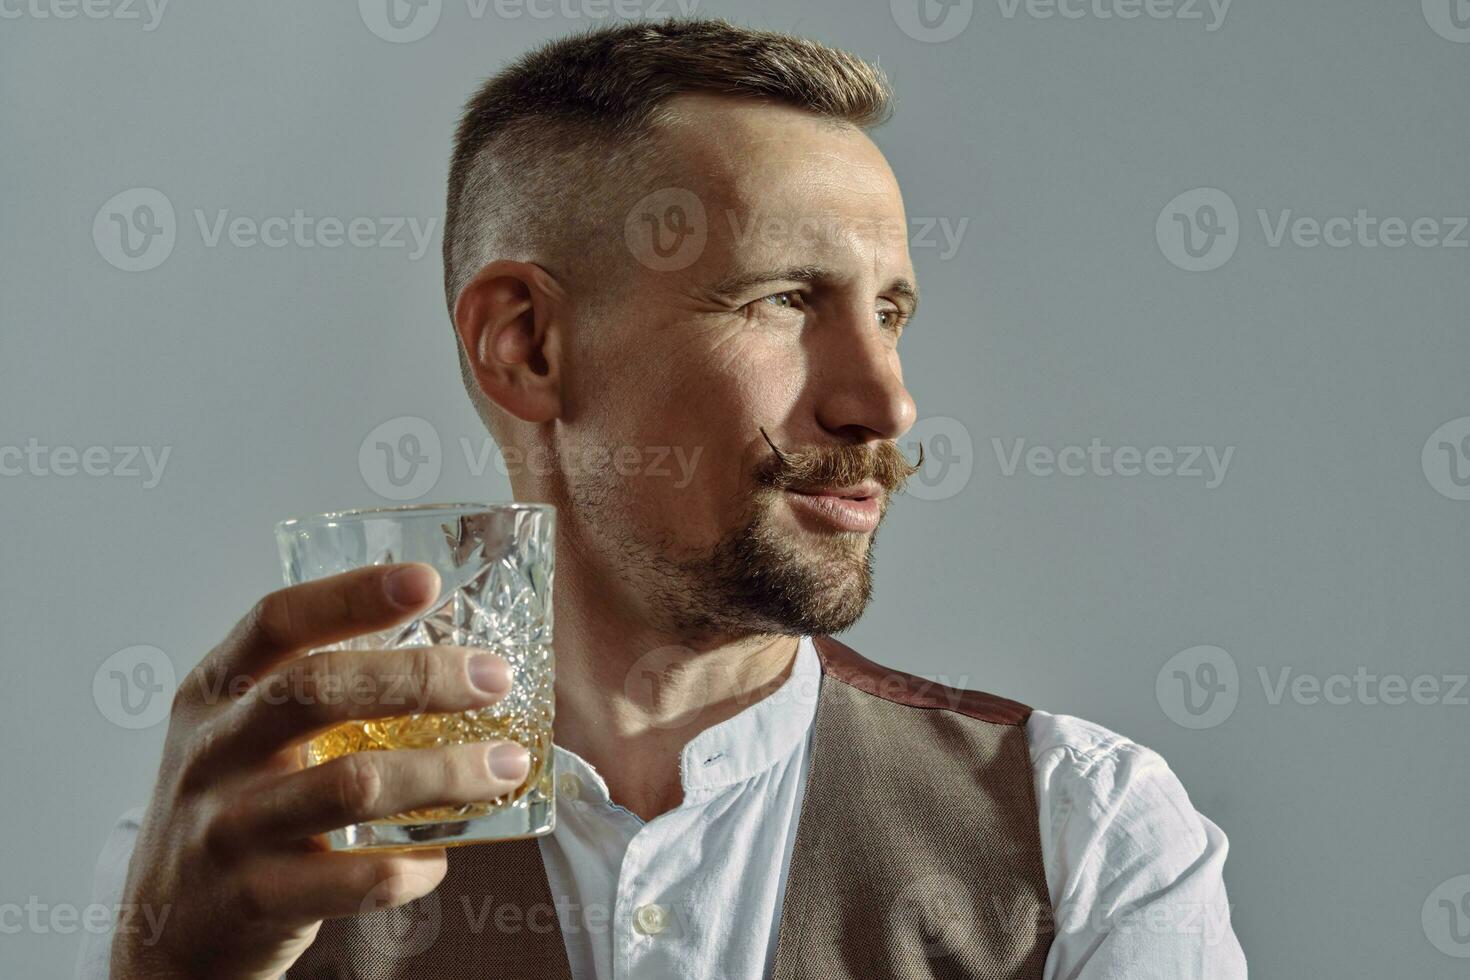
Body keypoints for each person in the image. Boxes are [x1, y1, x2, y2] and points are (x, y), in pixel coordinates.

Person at [81, 17, 1246, 979]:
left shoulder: (1087, 832)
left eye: (890, 313)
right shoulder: (256, 859)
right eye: (787, 299)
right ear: (527, 345)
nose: (884, 404)